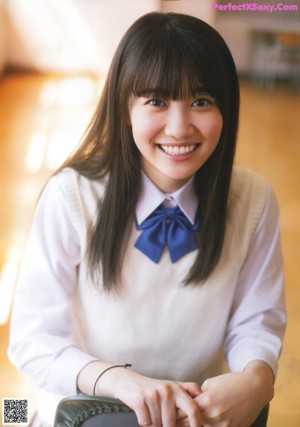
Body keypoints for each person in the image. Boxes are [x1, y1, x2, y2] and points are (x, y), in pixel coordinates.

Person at [8, 12, 286, 427]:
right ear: (125, 109)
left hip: (195, 413)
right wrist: (118, 381)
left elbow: (256, 320)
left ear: (226, 109)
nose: (179, 127)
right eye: (157, 101)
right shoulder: (71, 195)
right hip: (88, 408)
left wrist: (258, 378)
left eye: (201, 101)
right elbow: (31, 339)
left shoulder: (253, 199)